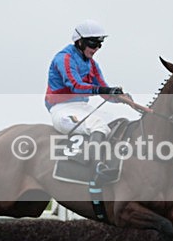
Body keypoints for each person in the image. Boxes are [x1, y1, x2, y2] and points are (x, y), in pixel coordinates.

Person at [44, 20, 124, 178]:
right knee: (98, 125)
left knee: (116, 122)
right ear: (80, 42)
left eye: (99, 45)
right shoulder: (64, 59)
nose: (96, 49)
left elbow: (104, 91)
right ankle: (97, 168)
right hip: (62, 109)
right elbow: (76, 86)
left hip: (82, 107)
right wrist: (105, 90)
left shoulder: (92, 64)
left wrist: (119, 97)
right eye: (93, 44)